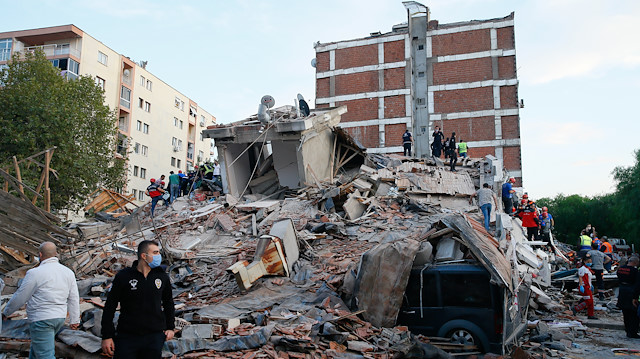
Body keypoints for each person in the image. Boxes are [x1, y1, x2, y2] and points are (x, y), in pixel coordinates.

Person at [2, 242, 80, 358]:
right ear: (56, 254)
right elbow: (73, 297)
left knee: (44, 355)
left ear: (40, 254)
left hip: (42, 319)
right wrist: (74, 319)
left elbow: (21, 296)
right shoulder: (68, 272)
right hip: (59, 318)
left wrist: (6, 312)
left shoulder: (35, 273)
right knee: (36, 351)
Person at [101, 240, 175, 358]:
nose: (158, 256)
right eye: (155, 252)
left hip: (154, 336)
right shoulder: (124, 277)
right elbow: (110, 306)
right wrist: (107, 336)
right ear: (144, 256)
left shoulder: (161, 277)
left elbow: (168, 303)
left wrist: (170, 327)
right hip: (127, 336)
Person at [617, 256, 640, 338]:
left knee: (625, 313)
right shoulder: (635, 271)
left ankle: (627, 329)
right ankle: (632, 332)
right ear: (635, 262)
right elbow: (637, 284)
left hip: (622, 291)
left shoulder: (620, 269)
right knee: (633, 314)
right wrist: (635, 296)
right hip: (631, 291)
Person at [572, 255, 597, 319]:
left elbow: (588, 279)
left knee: (591, 301)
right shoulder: (582, 269)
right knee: (589, 301)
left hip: (588, 286)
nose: (590, 263)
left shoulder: (588, 269)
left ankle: (590, 314)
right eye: (588, 261)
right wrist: (581, 286)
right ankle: (576, 309)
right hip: (584, 287)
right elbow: (580, 277)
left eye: (590, 261)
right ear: (585, 261)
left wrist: (591, 285)